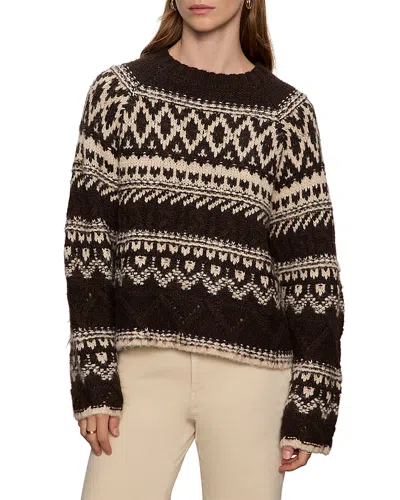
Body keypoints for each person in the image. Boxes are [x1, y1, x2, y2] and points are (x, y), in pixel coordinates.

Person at [63, 1, 345, 498]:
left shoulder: (285, 115)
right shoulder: (118, 94)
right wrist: (93, 371)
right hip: (139, 371)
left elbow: (310, 267)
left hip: (252, 377)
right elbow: (87, 241)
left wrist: (313, 396)